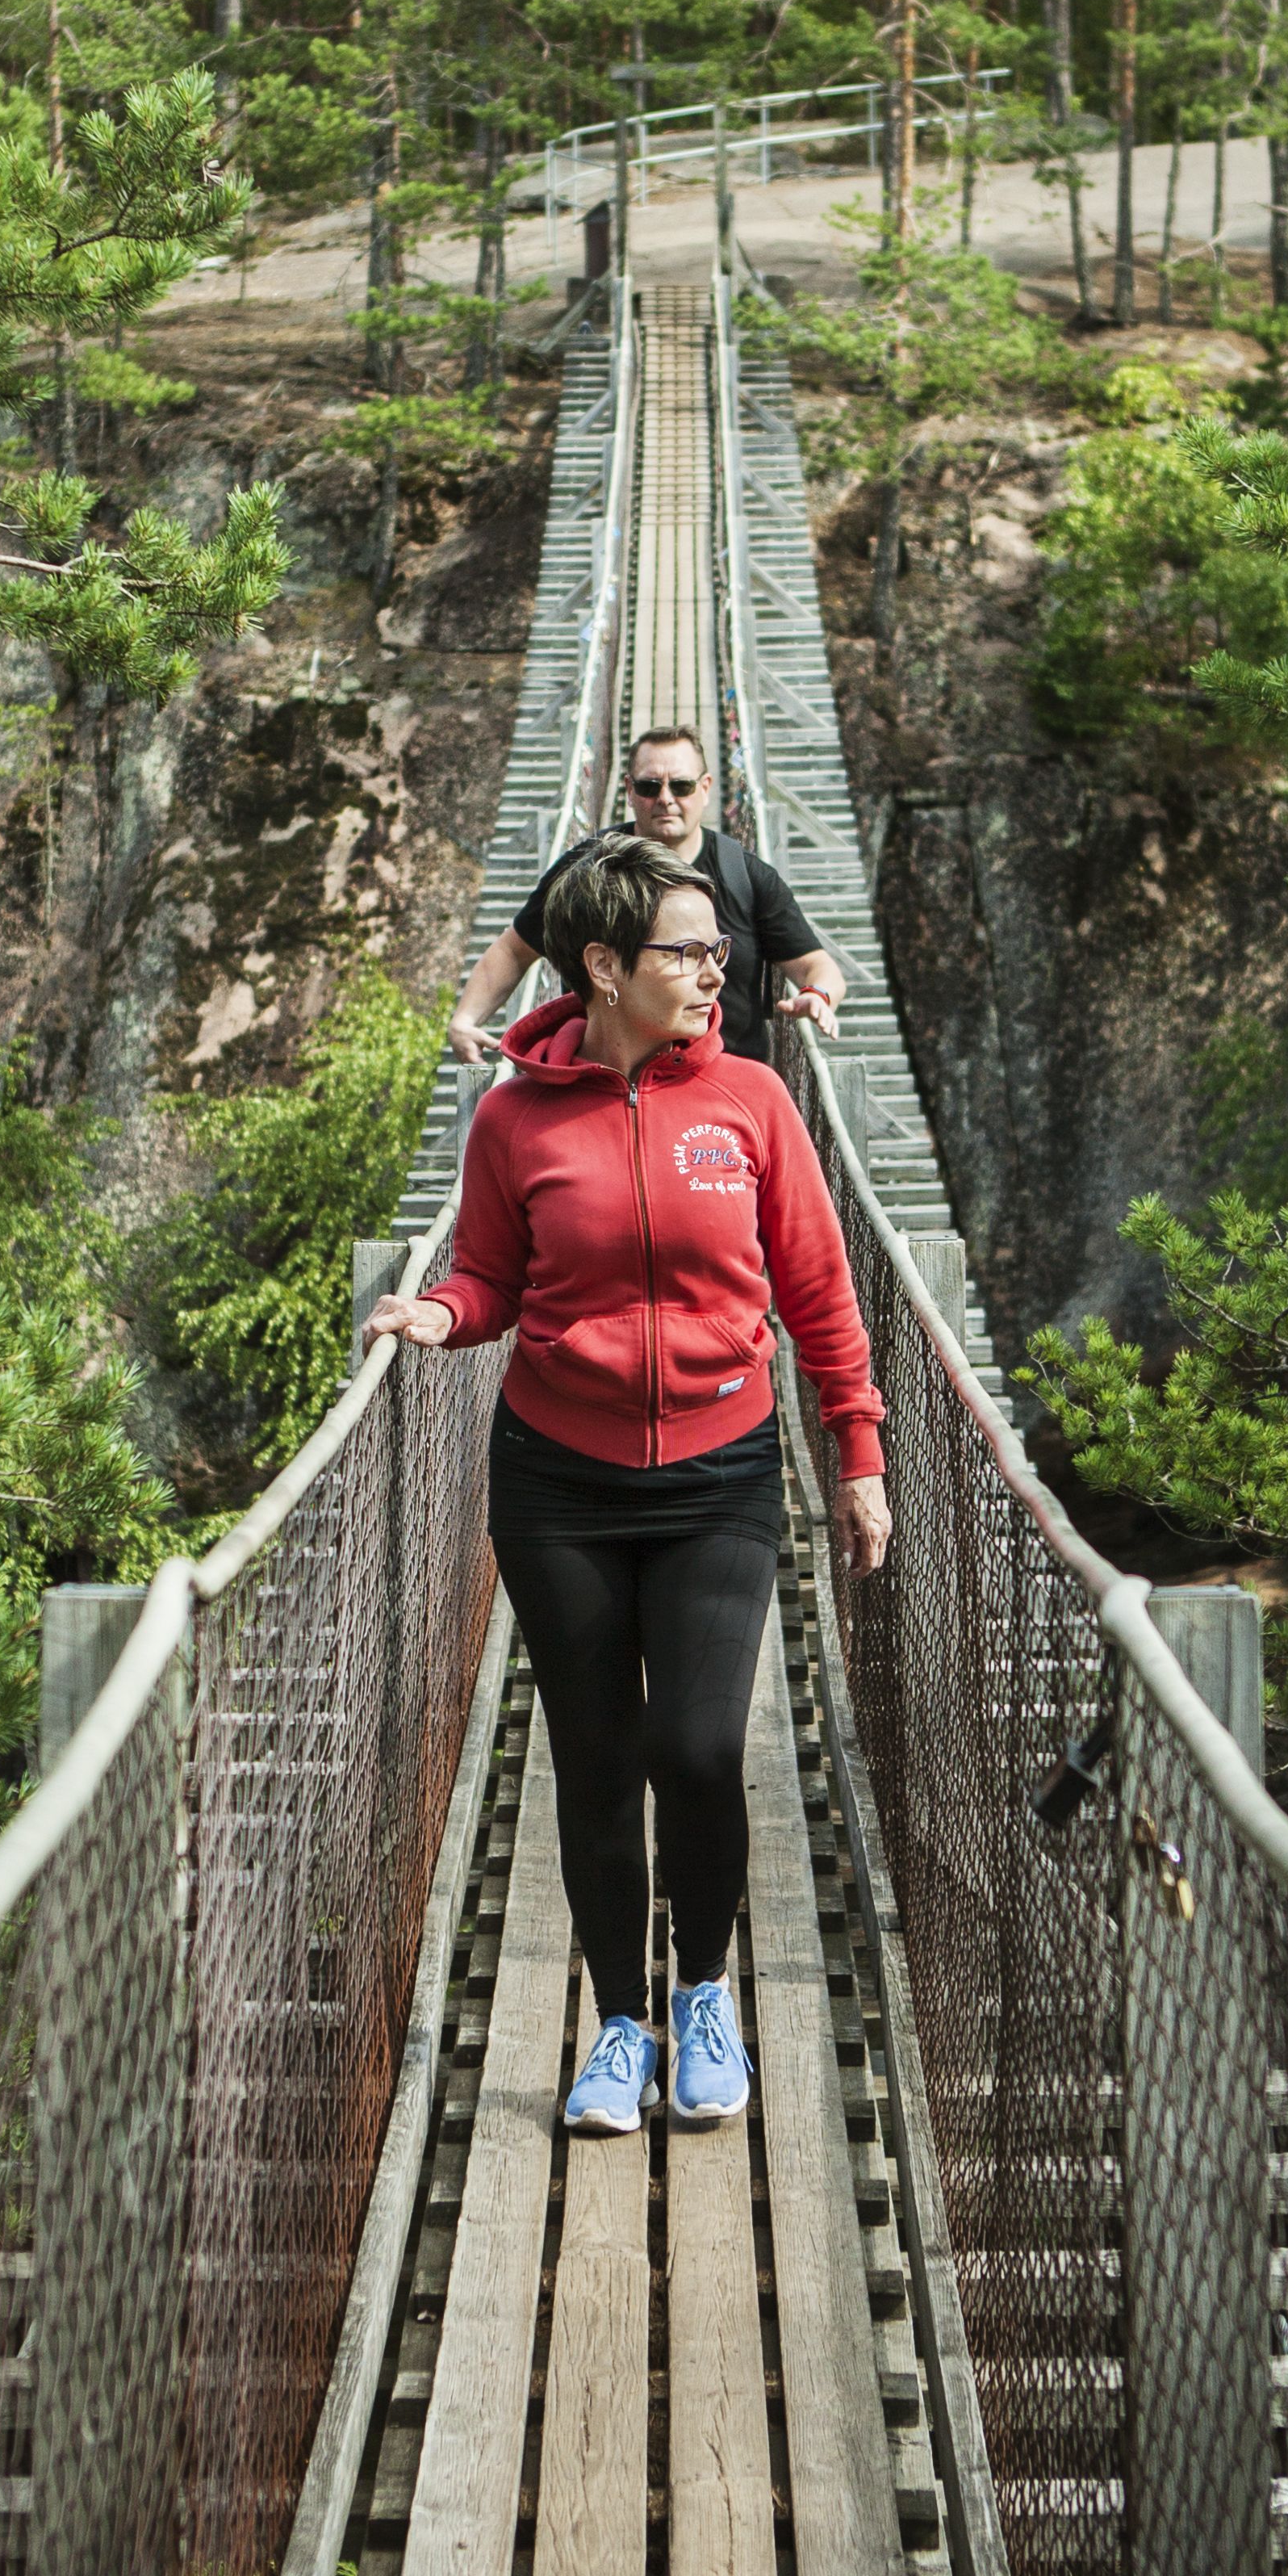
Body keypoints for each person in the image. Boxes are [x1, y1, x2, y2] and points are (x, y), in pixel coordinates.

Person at [369, 834, 890, 2136]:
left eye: (722, 949)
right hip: (556, 1481)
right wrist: (440, 1314)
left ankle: (702, 1992)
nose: (718, 972)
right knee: (595, 1762)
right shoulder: (513, 1115)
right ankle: (619, 2021)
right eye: (689, 952)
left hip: (719, 1466)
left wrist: (858, 1455)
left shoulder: (753, 1101)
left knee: (699, 1748)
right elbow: (489, 1271)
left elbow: (820, 1291)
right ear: (602, 966)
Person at [445, 723, 844, 1074]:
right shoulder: (588, 871)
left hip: (725, 1091)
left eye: (682, 786)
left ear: (706, 789)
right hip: (604, 1087)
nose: (666, 798)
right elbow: (515, 949)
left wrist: (817, 995)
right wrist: (465, 1019)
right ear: (629, 791)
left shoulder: (746, 877)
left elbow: (816, 966)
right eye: (650, 786)